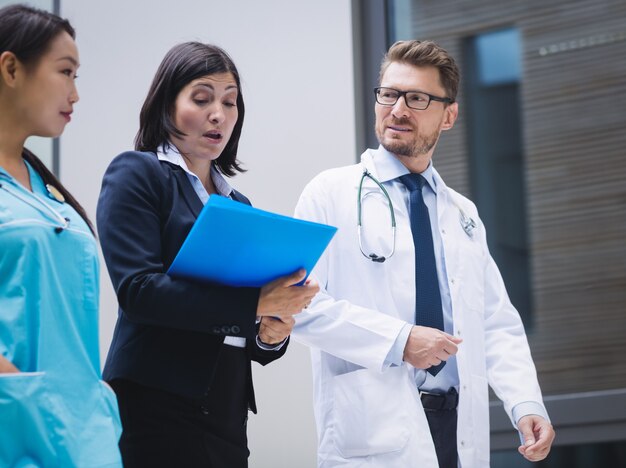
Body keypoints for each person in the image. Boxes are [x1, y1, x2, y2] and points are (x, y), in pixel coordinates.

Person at [293, 40, 555, 467]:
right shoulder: (330, 193)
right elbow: (298, 308)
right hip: (374, 429)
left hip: (456, 428)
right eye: (389, 94)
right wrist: (399, 341)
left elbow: (495, 321)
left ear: (449, 115)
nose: (397, 110)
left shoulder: (462, 213)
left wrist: (525, 403)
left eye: (417, 98)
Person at [96, 41, 318, 467]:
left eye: (230, 102)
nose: (219, 113)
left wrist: (270, 333)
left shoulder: (239, 205)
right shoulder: (137, 173)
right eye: (201, 98)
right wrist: (256, 302)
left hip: (226, 408)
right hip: (154, 402)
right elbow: (139, 291)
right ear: (166, 105)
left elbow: (235, 324)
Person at [0, 4, 123, 467]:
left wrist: (88, 406)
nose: (75, 92)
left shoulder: (51, 195)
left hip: (83, 437)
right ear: (11, 68)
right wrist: (31, 406)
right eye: (65, 72)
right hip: (19, 433)